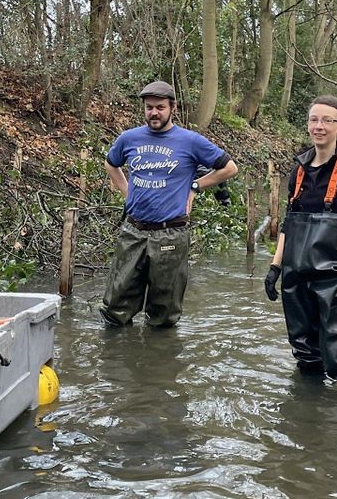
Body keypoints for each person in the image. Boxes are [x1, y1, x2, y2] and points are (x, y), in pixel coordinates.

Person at [100, 80, 238, 329]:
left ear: (172, 107)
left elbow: (229, 168)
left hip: (171, 233)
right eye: (149, 107)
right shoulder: (128, 138)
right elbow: (111, 163)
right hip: (133, 231)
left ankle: (158, 362)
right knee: (115, 306)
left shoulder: (190, 141)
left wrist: (195, 186)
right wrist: (126, 190)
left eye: (160, 107)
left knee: (164, 311)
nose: (154, 112)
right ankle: (116, 361)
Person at [263, 96, 337, 387]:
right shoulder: (298, 169)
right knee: (305, 354)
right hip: (297, 276)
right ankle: (308, 419)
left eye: (327, 120)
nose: (319, 126)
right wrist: (276, 266)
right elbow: (289, 221)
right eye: (314, 120)